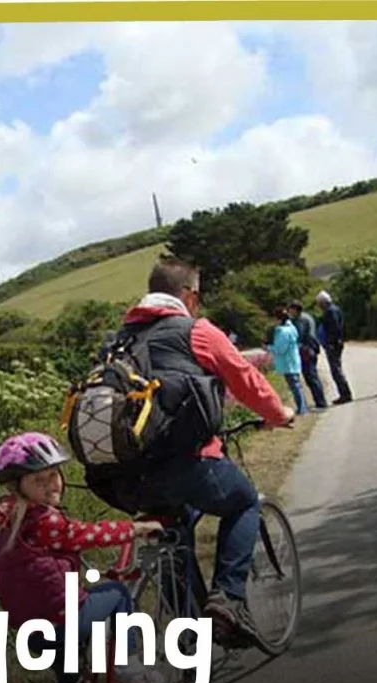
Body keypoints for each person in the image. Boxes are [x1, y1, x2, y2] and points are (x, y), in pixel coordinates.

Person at [114, 256, 296, 640]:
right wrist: (280, 414)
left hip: (123, 474)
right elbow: (246, 379)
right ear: (189, 296)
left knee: (171, 531)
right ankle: (228, 600)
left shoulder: (117, 341)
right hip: (186, 461)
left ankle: (187, 635)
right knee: (244, 501)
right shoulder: (194, 330)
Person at [0, 432, 167, 683]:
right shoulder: (43, 521)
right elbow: (87, 534)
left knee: (70, 681)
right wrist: (136, 528)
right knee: (117, 594)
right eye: (38, 481)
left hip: (30, 632)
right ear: (17, 487)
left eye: (53, 475)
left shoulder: (4, 523)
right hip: (63, 622)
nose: (50, 486)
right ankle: (130, 672)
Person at [287, 300, 328, 410]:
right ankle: (320, 401)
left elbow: (299, 335)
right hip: (311, 349)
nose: (289, 311)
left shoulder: (301, 320)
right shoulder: (307, 316)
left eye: (290, 309)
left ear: (295, 309)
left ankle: (321, 402)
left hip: (306, 350)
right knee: (312, 376)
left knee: (311, 376)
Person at [315, 289, 353, 404]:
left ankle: (345, 394)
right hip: (335, 343)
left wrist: (332, 342)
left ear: (323, 302)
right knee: (336, 368)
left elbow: (335, 328)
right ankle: (344, 393)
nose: (319, 306)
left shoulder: (331, 311)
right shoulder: (334, 309)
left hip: (333, 344)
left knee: (336, 369)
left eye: (319, 303)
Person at [268, 308, 308, 415]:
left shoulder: (283, 332)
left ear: (279, 319)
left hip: (287, 363)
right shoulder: (291, 328)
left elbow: (280, 349)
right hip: (293, 361)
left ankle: (302, 409)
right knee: (297, 385)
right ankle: (303, 407)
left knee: (294, 386)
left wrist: (268, 347)